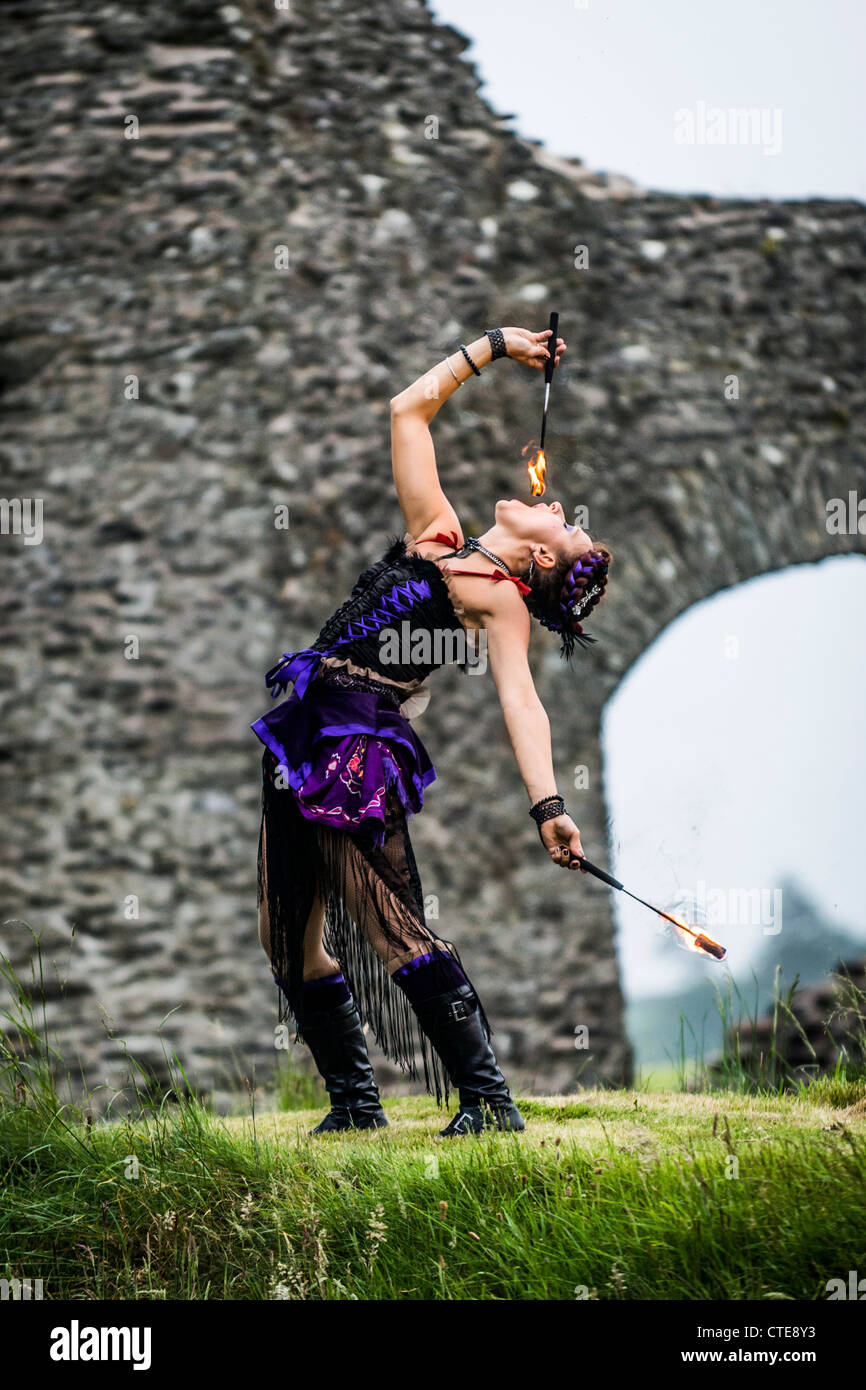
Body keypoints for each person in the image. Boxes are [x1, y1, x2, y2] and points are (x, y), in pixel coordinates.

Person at [251, 325, 611, 1137]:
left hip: (356, 748)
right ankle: (354, 1105)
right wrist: (496, 346)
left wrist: (548, 803)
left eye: (567, 525)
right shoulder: (440, 538)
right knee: (281, 932)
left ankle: (489, 1101)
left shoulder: (501, 601)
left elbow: (521, 699)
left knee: (389, 922)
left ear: (544, 565)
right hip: (304, 727)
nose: (555, 503)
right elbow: (408, 410)